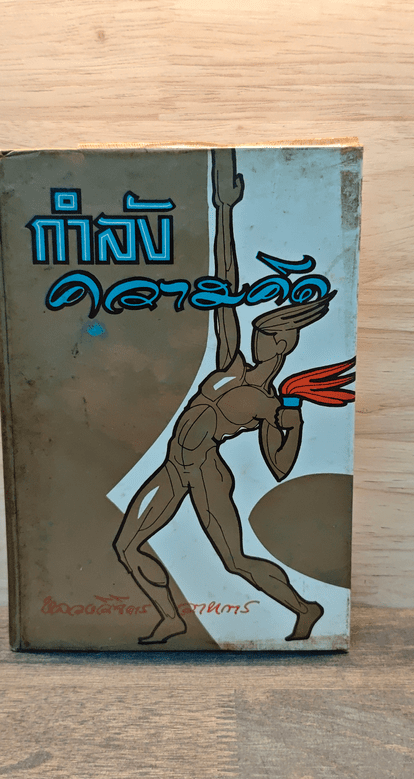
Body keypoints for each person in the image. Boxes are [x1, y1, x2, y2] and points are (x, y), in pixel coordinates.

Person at [113, 149, 331, 644]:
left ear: (282, 344)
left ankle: (305, 608)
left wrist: (294, 418)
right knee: (127, 545)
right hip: (174, 466)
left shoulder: (270, 403)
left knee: (234, 561)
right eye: (258, 330)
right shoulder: (231, 362)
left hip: (206, 474)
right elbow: (224, 284)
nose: (256, 335)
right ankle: (170, 617)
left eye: (266, 334)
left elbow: (279, 467)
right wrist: (225, 209)